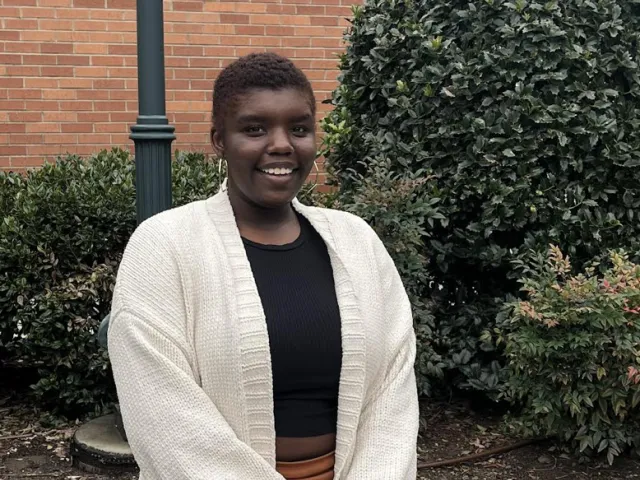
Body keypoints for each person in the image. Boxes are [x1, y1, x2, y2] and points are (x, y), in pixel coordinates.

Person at [108, 52, 419, 480]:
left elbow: (392, 387)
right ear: (220, 139)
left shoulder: (357, 241)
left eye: (299, 128)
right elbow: (163, 414)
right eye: (254, 129)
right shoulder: (165, 245)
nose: (281, 144)